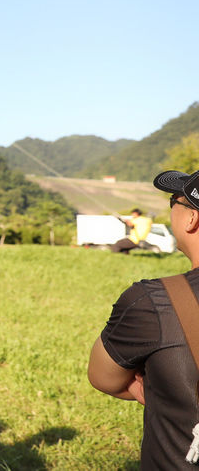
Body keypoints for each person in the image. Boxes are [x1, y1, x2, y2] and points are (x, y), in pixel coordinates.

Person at [88, 168, 199, 468]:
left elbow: (104, 378)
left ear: (192, 219)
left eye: (174, 201)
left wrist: (153, 389)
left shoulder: (153, 301)